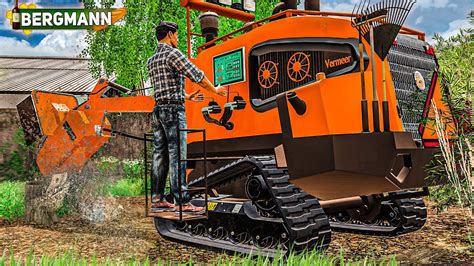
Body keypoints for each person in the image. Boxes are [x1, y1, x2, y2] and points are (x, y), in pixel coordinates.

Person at [147, 21, 226, 213]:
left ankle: (157, 199)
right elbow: (196, 74)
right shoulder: (172, 53)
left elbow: (164, 88)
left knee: (159, 155)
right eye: (177, 35)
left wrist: (188, 96)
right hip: (174, 111)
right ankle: (182, 201)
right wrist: (215, 90)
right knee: (178, 155)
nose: (178, 38)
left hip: (158, 111)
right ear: (170, 34)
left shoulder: (152, 60)